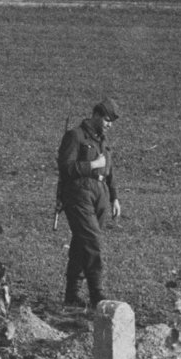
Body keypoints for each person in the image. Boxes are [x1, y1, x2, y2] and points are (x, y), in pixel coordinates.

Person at [57, 98, 122, 308]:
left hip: (100, 194)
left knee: (81, 243)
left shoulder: (103, 141)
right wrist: (92, 165)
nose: (109, 124)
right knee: (92, 241)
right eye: (106, 119)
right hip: (78, 193)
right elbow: (66, 168)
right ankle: (97, 292)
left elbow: (109, 171)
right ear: (95, 114)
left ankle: (72, 294)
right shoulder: (75, 136)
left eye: (112, 121)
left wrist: (114, 197)